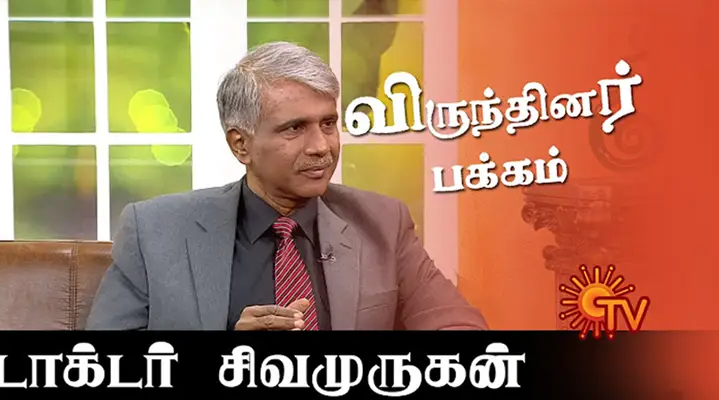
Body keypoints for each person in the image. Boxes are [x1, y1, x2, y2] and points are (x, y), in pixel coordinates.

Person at [85, 42, 487, 331]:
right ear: (240, 144)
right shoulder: (156, 231)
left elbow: (456, 324)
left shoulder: (382, 222)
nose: (322, 147)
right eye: (295, 128)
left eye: (328, 124)